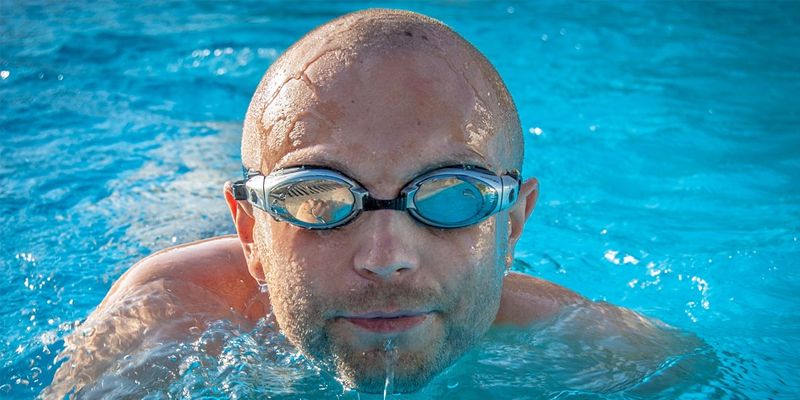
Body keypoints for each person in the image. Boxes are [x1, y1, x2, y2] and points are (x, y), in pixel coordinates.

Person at [46, 9, 705, 397]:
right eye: (318, 196)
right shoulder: (167, 318)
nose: (386, 259)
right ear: (249, 232)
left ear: (514, 224)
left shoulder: (617, 357)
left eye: (452, 198)